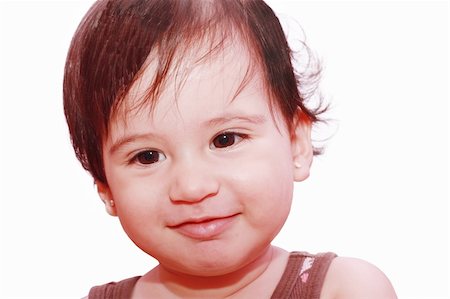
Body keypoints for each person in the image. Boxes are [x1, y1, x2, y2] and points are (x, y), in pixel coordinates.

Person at [63, 0, 397, 298]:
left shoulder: (346, 290)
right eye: (147, 156)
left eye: (225, 139)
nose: (192, 188)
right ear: (105, 187)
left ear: (296, 143)